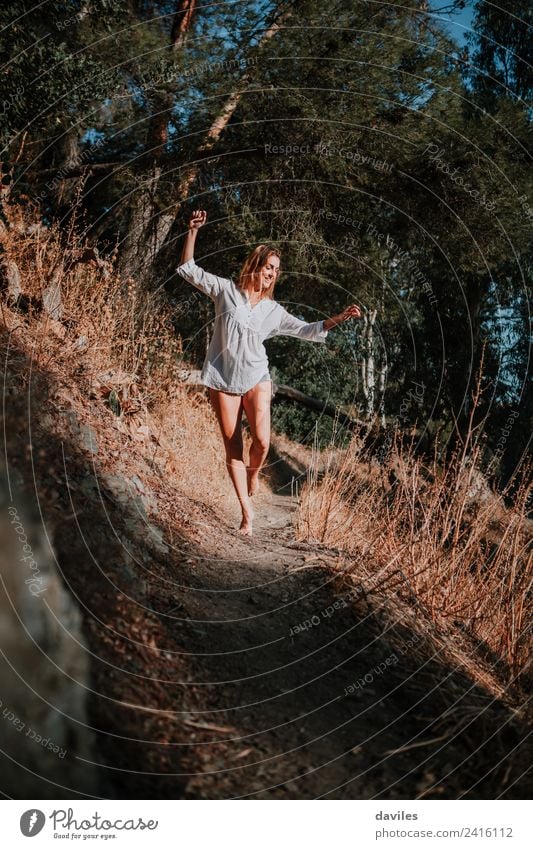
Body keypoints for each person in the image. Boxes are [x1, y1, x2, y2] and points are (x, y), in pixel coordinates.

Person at [176, 209, 361, 536]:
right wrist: (192, 231)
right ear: (255, 266)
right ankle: (247, 515)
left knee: (261, 442)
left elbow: (308, 329)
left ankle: (253, 476)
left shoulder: (273, 311)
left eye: (276, 270)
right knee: (232, 446)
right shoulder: (226, 292)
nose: (272, 274)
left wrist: (341, 317)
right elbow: (188, 269)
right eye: (268, 267)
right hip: (222, 380)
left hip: (257, 378)